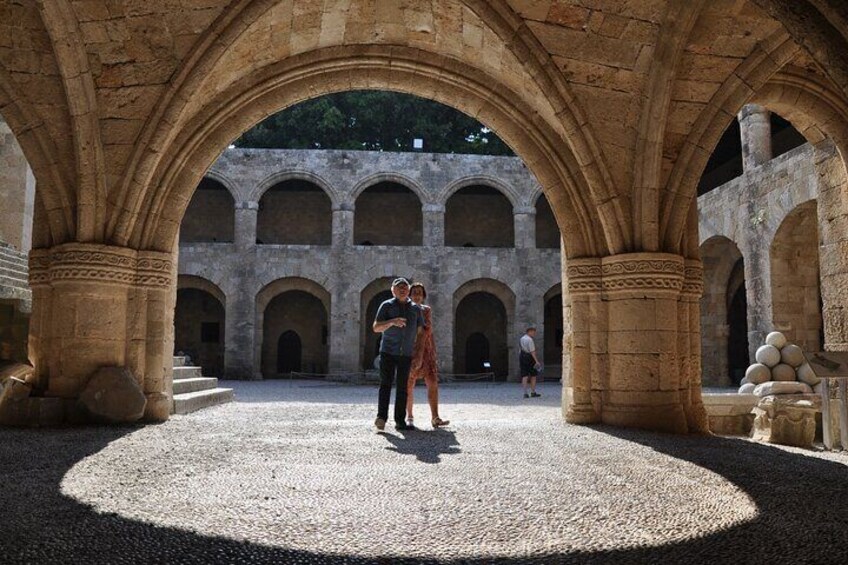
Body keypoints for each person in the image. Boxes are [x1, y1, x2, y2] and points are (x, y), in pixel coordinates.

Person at [372, 277, 425, 431]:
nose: (402, 289)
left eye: (405, 287)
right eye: (399, 287)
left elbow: (421, 333)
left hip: (406, 354)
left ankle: (400, 421)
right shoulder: (386, 306)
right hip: (388, 351)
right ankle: (381, 417)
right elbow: (376, 327)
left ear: (408, 290)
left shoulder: (416, 309)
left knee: (403, 388)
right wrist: (392, 322)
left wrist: (419, 352)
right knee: (385, 384)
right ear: (393, 290)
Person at [405, 282, 450, 429]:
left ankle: (435, 417)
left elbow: (427, 329)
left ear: (423, 296)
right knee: (408, 385)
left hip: (427, 350)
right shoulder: (405, 309)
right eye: (414, 292)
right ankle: (409, 416)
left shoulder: (426, 310)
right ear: (410, 295)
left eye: (420, 292)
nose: (417, 295)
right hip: (410, 350)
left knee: (432, 383)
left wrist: (426, 350)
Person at [520, 325, 541, 398]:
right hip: (529, 357)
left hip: (522, 356)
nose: (534, 334)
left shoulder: (522, 338)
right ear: (530, 331)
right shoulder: (530, 340)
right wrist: (536, 361)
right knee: (533, 375)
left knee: (524, 375)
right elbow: (532, 351)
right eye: (533, 332)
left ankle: (525, 393)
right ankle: (533, 392)